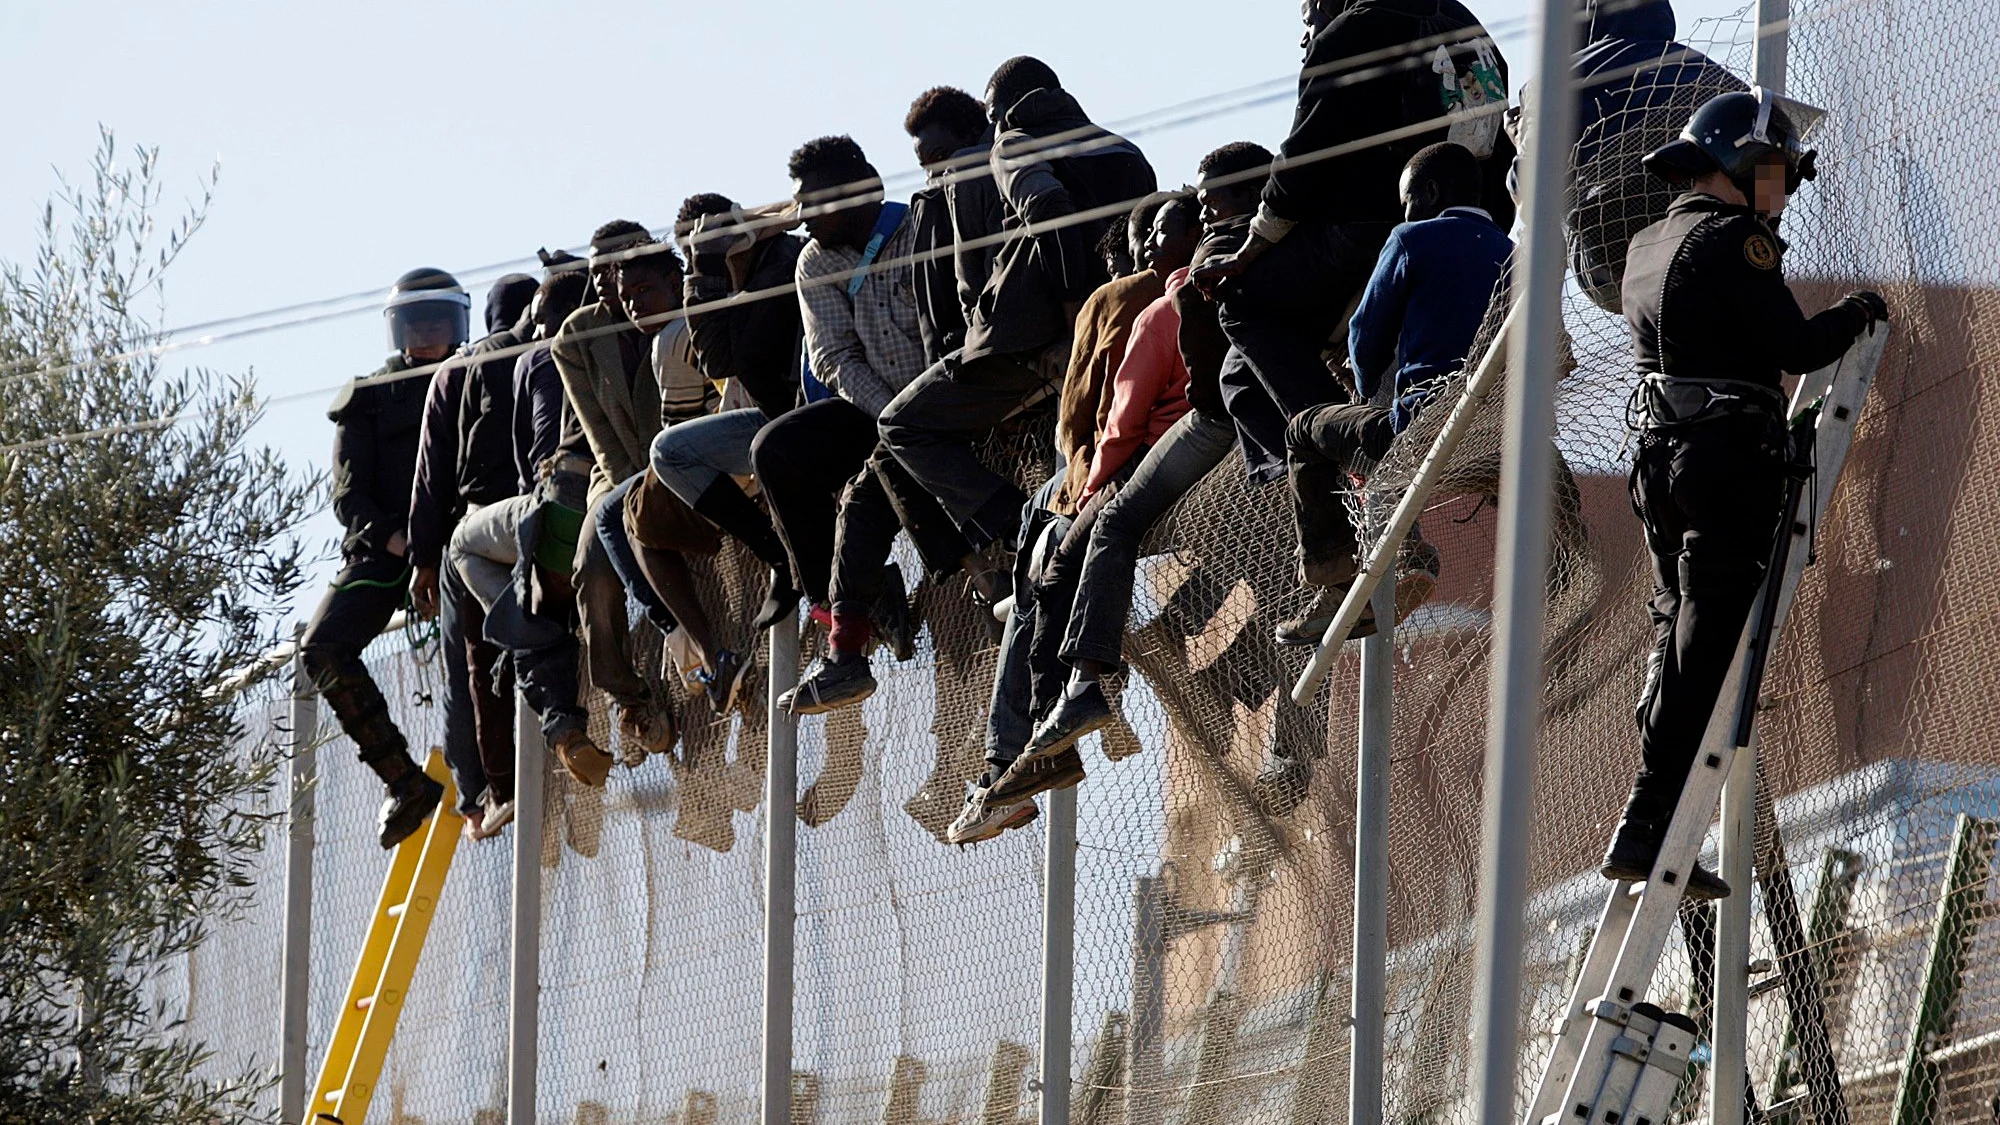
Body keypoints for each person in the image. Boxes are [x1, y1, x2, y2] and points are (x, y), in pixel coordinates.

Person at [1604, 89, 1887, 899]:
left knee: (1675, 628)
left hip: (1657, 460)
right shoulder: (1734, 241)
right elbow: (1793, 346)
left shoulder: (1650, 242)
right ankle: (1650, 817)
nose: (1784, 194)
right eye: (1778, 176)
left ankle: (1644, 817)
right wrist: (1858, 311)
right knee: (1709, 640)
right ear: (1745, 164)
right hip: (1726, 457)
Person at [965, 144, 1269, 820]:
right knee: (1050, 544)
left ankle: (1057, 709)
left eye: (1187, 214)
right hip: (1257, 436)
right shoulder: (1283, 261)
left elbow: (1111, 420)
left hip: (1174, 446)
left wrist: (1088, 489)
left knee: (1069, 544)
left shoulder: (1161, 305)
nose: (1144, 251)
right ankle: (1076, 691)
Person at [1191, 0, 1509, 486]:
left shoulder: (1350, 32)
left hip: (1364, 230)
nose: (1306, 35)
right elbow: (1495, 144)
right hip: (1469, 230)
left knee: (1241, 305)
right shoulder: (1469, 27)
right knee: (1248, 367)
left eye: (1308, 17)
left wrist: (1250, 248)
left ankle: (1346, 453)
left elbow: (1302, 161)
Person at [754, 136, 998, 714]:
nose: (804, 217)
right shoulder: (814, 260)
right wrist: (890, 413)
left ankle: (856, 646)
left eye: (817, 202)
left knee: (871, 494)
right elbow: (834, 357)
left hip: (951, 397)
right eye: (799, 205)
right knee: (776, 449)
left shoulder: (921, 225)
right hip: (877, 409)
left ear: (866, 189)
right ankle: (831, 605)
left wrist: (912, 414)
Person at [880, 55, 1156, 555]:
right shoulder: (1123, 148)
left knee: (900, 424)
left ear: (1003, 111)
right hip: (1123, 325)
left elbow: (1047, 206)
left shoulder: (1011, 143)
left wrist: (1076, 308)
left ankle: (1018, 526)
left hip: (1033, 339)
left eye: (993, 115)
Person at [1274, 142, 1511, 645]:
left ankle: (1343, 581)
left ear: (1429, 192)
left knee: (1302, 430)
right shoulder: (1514, 253)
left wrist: (1366, 397)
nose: (1404, 211)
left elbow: (1366, 333)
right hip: (1497, 431)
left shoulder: (1412, 238)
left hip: (1422, 427)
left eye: (1408, 200)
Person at [300, 268, 471, 848]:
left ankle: (493, 771)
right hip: (389, 551)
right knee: (322, 647)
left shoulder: (478, 378)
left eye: (438, 322)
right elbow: (349, 498)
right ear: (398, 330)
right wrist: (405, 544)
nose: (427, 335)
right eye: (416, 323)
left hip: (464, 543)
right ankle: (403, 781)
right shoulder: (367, 398)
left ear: (458, 324)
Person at [452, 268, 617, 791]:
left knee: (464, 546)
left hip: (558, 497)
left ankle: (558, 714)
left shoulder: (537, 357)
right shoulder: (627, 338)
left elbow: (535, 455)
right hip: (616, 489)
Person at [407, 273, 538, 837]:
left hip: (474, 537)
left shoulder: (453, 374)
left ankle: (479, 794)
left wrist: (423, 559)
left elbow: (431, 476)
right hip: (538, 517)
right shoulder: (546, 351)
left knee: (471, 670)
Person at [603, 237, 749, 715]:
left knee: (630, 516)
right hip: (758, 445)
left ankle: (702, 648)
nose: (633, 304)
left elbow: (676, 440)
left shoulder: (671, 338)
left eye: (644, 290)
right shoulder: (713, 310)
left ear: (675, 281)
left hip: (731, 465)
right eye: (627, 296)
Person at [653, 198, 810, 632]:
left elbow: (737, 360)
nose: (700, 262)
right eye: (692, 255)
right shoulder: (718, 279)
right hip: (774, 420)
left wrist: (712, 271)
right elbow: (717, 361)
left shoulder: (783, 260)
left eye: (707, 247)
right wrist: (705, 272)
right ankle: (779, 554)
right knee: (669, 453)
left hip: (814, 415)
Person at [551, 221, 678, 753]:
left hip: (680, 455)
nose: (606, 279)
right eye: (597, 269)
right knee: (592, 564)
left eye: (618, 266)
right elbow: (598, 434)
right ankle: (628, 695)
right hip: (616, 468)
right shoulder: (577, 336)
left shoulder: (672, 307)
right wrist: (634, 495)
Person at [903, 86, 992, 365]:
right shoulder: (931, 205)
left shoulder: (1010, 181)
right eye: (924, 165)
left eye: (940, 157)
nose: (932, 175)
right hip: (961, 360)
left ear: (973, 135)